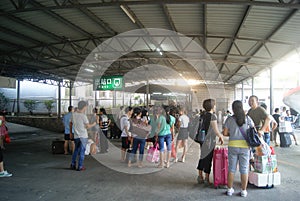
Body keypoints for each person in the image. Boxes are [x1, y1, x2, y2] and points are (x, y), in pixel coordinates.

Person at [223, 100, 253, 197]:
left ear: (233, 109)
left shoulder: (229, 119)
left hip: (233, 146)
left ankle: (229, 189)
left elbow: (225, 133)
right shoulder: (248, 119)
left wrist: (232, 134)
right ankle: (243, 191)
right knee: (244, 169)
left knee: (231, 169)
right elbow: (253, 131)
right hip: (245, 147)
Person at [197, 99, 224, 185]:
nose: (215, 107)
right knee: (208, 158)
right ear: (212, 106)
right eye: (214, 105)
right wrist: (220, 136)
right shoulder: (213, 116)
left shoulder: (202, 115)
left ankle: (200, 176)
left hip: (202, 139)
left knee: (202, 156)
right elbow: (216, 130)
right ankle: (207, 178)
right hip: (209, 140)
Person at [70, 101, 96, 171]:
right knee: (82, 151)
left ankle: (73, 164)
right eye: (86, 107)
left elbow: (71, 124)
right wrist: (93, 124)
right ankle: (80, 166)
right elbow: (87, 126)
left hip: (76, 136)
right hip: (83, 136)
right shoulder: (83, 116)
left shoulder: (73, 114)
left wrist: (71, 133)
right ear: (84, 107)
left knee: (76, 150)